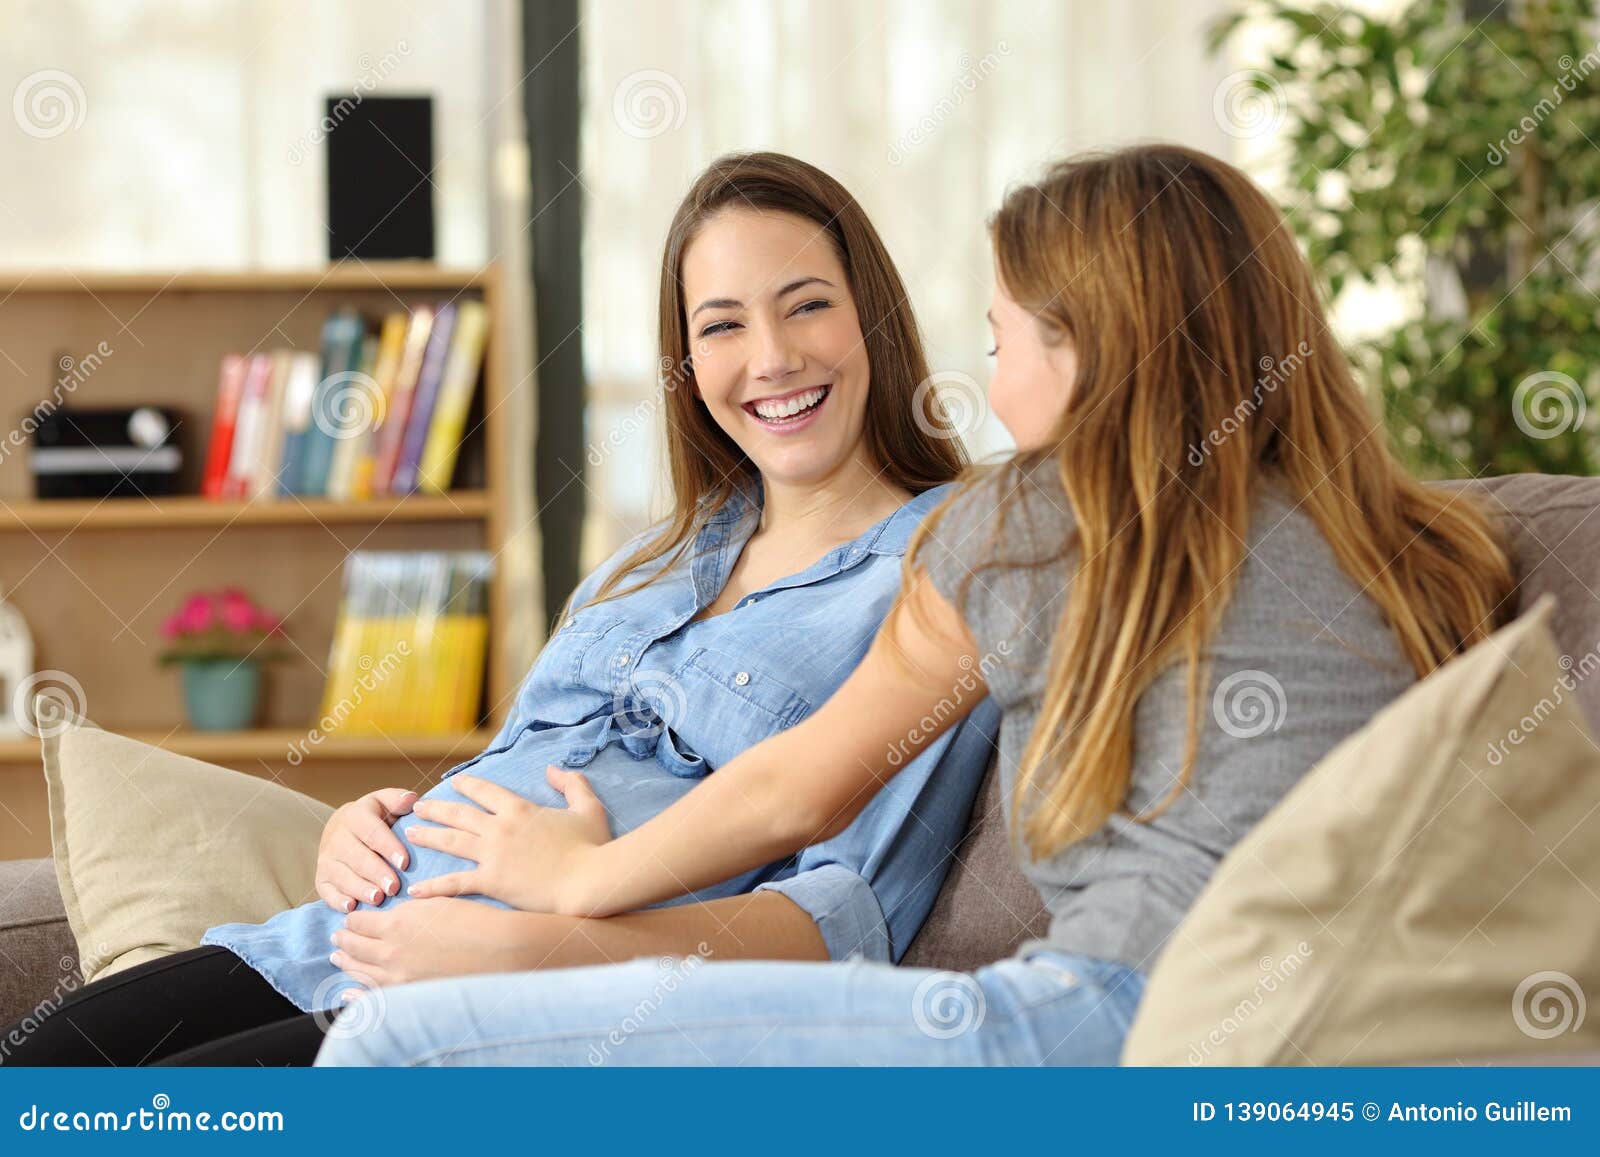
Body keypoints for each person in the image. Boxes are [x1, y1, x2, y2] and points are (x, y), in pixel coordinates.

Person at [315, 143, 1516, 1067]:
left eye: (1003, 342)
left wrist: (574, 885)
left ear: (1089, 350)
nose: (989, 388)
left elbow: (802, 783)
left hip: (1097, 1023)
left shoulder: (1023, 525)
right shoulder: (1412, 544)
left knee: (378, 1046)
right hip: (1339, 1024)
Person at [0, 152, 998, 1066]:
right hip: (338, 935)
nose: (771, 357)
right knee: (44, 1073)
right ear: (686, 365)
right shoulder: (651, 564)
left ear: (871, 316)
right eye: (723, 323)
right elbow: (512, 774)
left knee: (149, 1111)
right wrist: (365, 821)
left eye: (806, 305)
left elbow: (843, 916)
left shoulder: (944, 574)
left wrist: (539, 949)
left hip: (508, 1004)